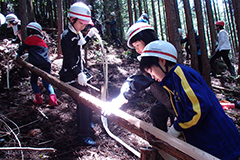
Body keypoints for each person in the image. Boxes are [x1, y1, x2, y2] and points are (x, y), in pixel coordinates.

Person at [139, 40, 240, 160]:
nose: (152, 77)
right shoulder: (172, 81)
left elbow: (198, 108)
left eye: (151, 71)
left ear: (162, 61)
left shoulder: (181, 74)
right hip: (208, 141)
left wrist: (176, 128)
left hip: (218, 141)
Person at [103, 22, 175, 132]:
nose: (137, 50)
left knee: (181, 128)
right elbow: (136, 78)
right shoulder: (153, 55)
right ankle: (160, 144)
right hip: (167, 101)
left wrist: (120, 100)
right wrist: (122, 95)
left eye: (137, 45)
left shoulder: (158, 56)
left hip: (177, 101)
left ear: (147, 39)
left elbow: (141, 80)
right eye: (134, 47)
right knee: (157, 113)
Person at [59, 2, 99, 146]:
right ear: (72, 19)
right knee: (83, 101)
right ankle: (83, 134)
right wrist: (78, 73)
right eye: (81, 24)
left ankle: (87, 122)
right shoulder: (66, 36)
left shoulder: (77, 32)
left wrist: (89, 35)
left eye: (85, 25)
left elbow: (81, 44)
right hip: (70, 74)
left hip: (80, 71)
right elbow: (69, 58)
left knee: (90, 96)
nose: (83, 27)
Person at [16, 22, 58, 107]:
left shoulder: (31, 39)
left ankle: (39, 99)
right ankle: (53, 100)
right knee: (47, 82)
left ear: (31, 31)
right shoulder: (43, 41)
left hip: (36, 64)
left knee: (33, 81)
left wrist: (18, 55)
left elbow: (22, 47)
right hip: (46, 64)